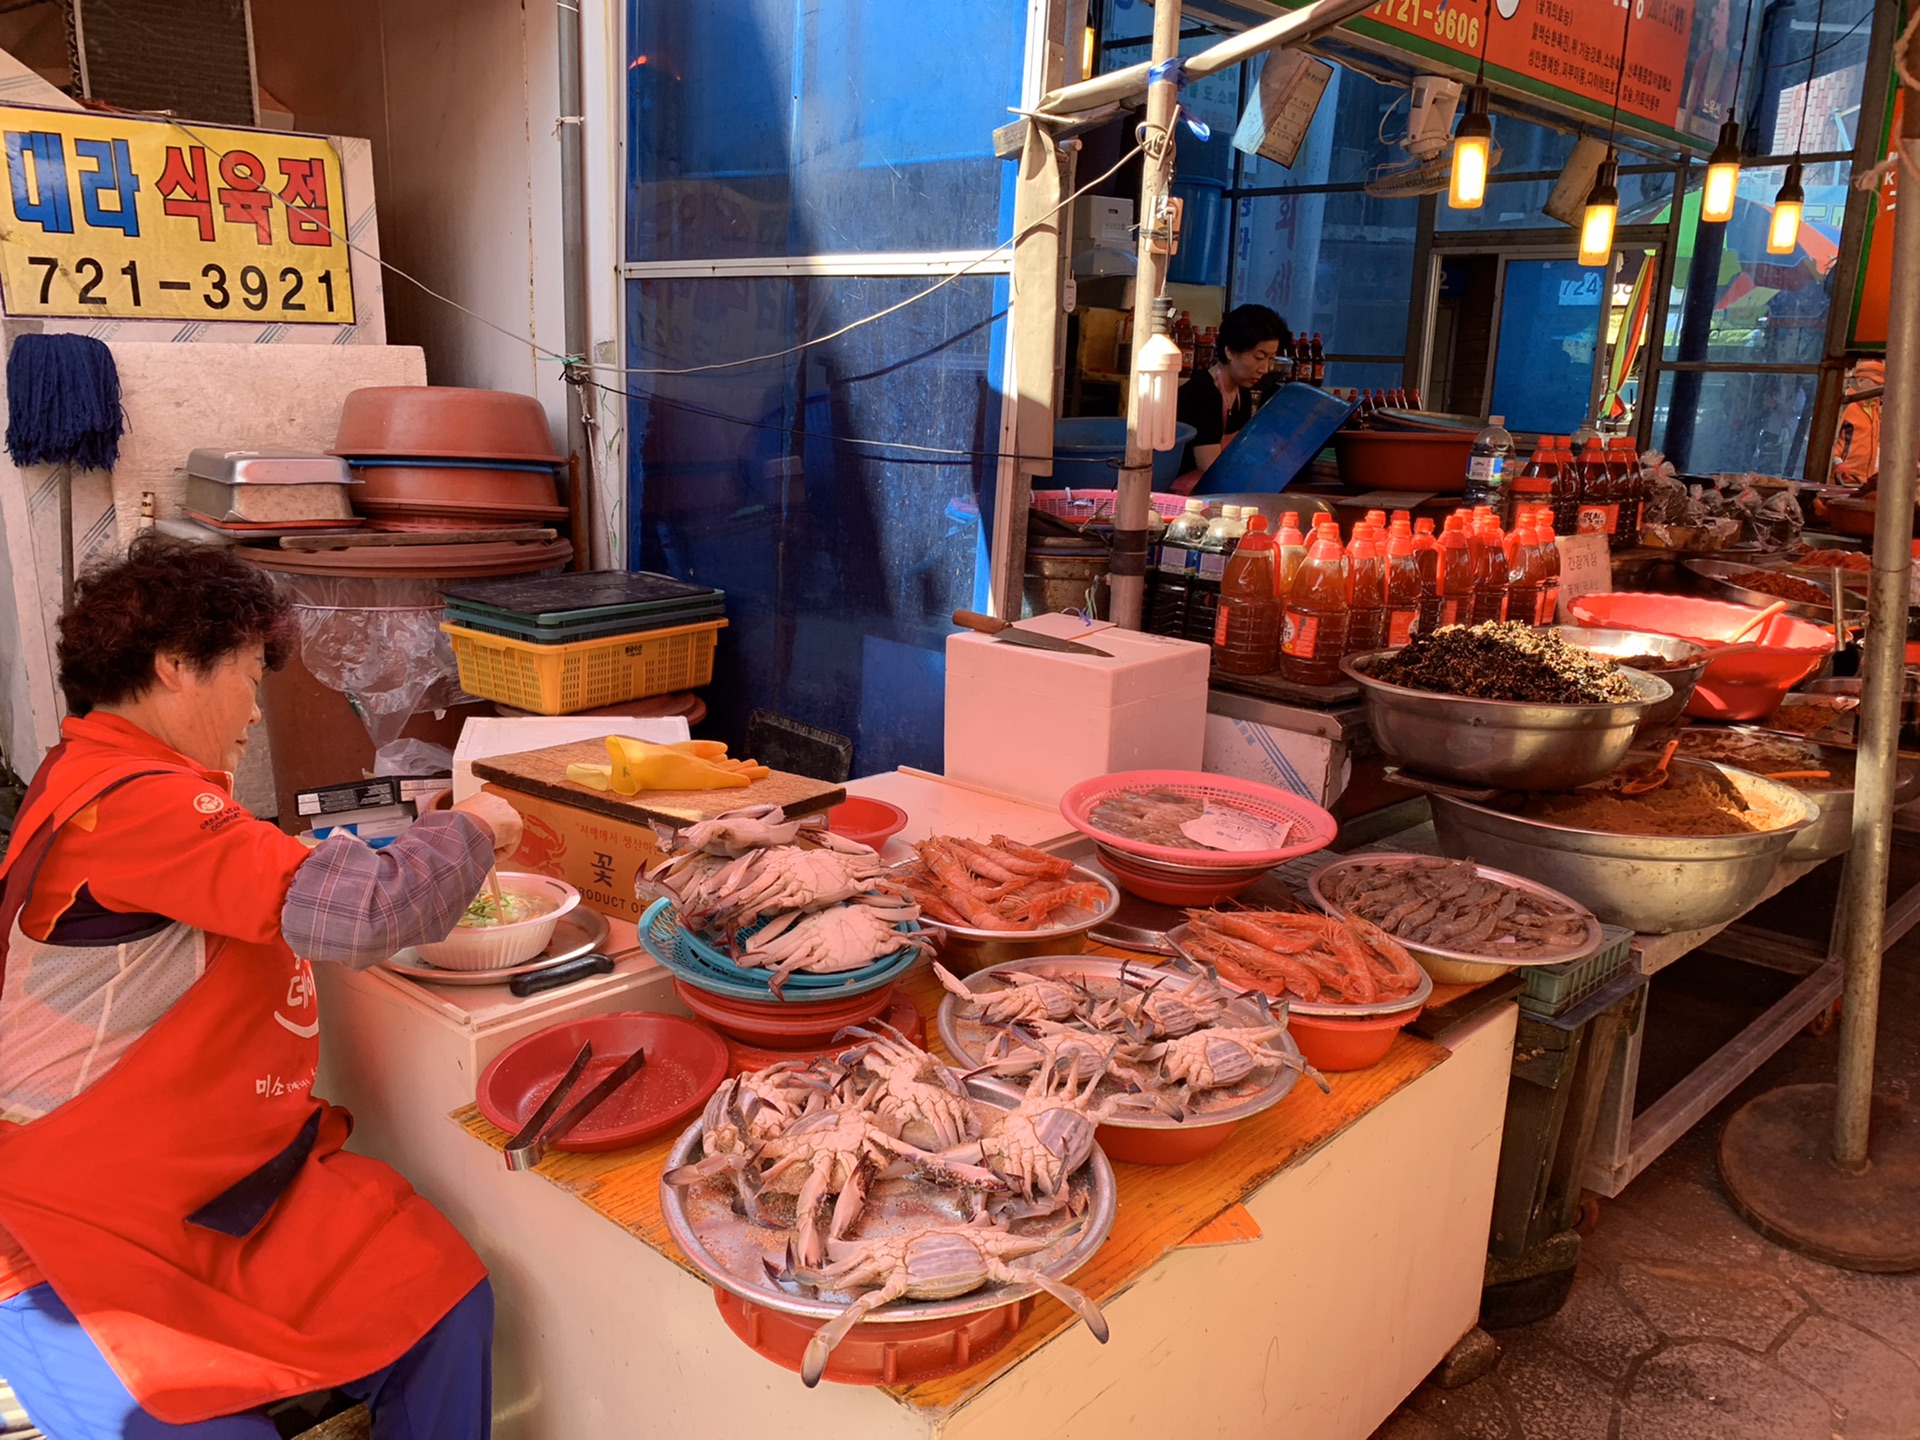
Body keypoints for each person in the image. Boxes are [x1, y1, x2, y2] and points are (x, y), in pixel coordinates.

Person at [0, 535, 524, 1439]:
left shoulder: (97, 770)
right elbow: (359, 914)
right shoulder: (133, 799)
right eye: (246, 676)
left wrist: (403, 847)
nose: (254, 710)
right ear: (174, 667)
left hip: (223, 1185)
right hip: (74, 1222)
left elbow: (256, 873)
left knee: (444, 1302)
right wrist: (477, 822)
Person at [1173, 303, 1287, 492]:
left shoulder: (1242, 393)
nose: (1264, 368)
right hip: (1187, 494)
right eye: (1259, 357)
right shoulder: (1202, 394)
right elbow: (1210, 467)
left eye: (1270, 358)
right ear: (1230, 351)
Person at [1832, 357, 1884, 488]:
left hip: (1863, 483)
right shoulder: (1843, 405)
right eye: (1878, 384)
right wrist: (1837, 463)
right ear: (1860, 381)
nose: (1882, 389)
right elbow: (1824, 442)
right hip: (1840, 481)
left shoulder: (1874, 408)